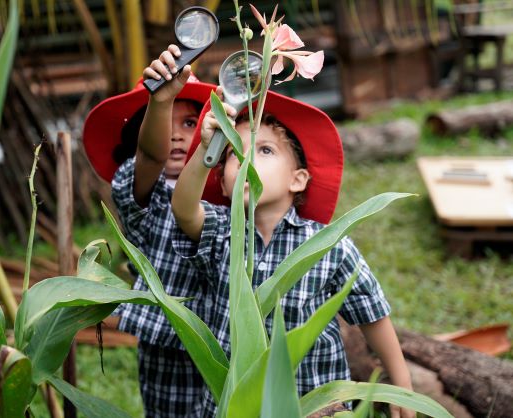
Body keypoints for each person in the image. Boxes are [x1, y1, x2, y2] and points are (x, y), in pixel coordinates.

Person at [170, 91, 416, 418]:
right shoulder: (220, 232)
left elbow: (371, 313)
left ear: (297, 180)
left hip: (312, 403)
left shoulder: (329, 245)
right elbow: (183, 209)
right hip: (235, 404)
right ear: (225, 186)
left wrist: (400, 384)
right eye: (233, 152)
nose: (245, 159)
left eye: (265, 150)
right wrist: (206, 148)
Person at [82, 45, 218, 417]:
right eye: (164, 121)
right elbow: (152, 156)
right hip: (167, 339)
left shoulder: (225, 187)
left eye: (189, 123)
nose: (176, 136)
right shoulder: (142, 189)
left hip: (225, 333)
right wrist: (161, 100)